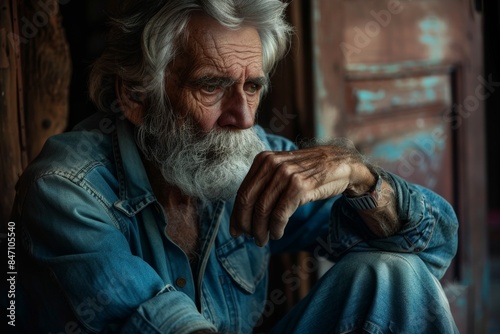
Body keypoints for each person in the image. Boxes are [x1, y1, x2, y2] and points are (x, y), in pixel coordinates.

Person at [6, 0, 459, 333]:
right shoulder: (64, 190)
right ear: (136, 96)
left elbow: (435, 246)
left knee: (392, 274)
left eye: (254, 87)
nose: (242, 116)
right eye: (212, 86)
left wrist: (359, 177)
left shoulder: (244, 157)